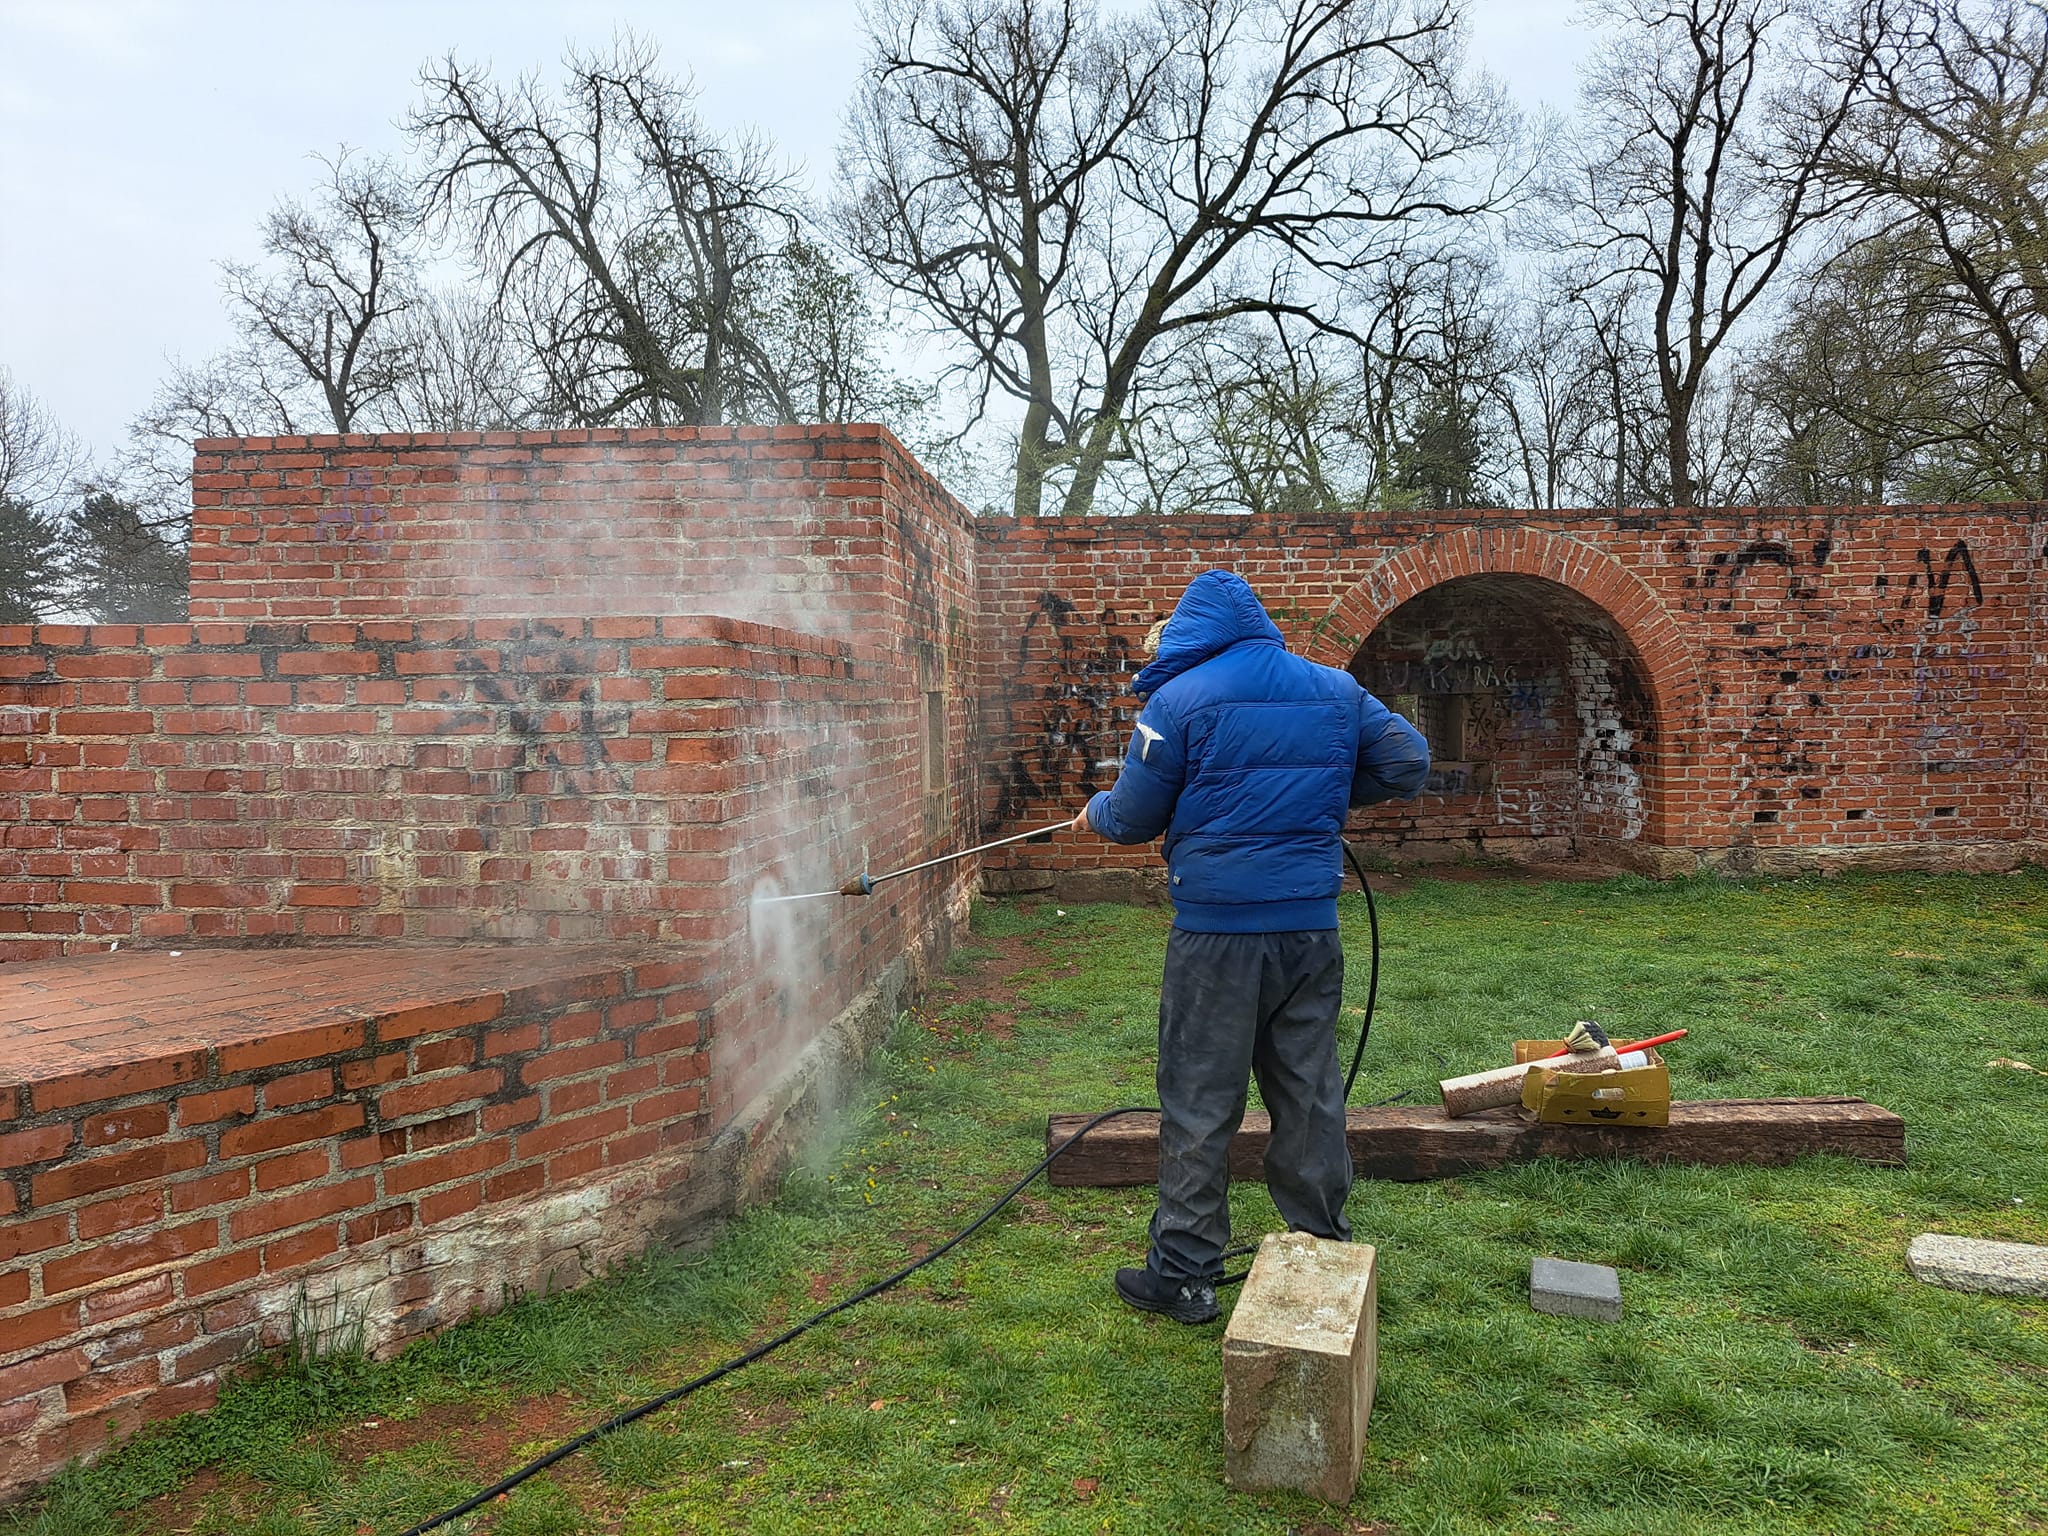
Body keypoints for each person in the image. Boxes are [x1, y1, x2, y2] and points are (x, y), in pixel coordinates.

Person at [1071, 568, 1429, 1324]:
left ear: (1192, 633)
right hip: (1310, 931)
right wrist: (1314, 792)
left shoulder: (1178, 700)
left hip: (1217, 936)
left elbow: (1133, 818)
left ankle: (1185, 1273)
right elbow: (1408, 761)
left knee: (1200, 1097)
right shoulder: (1334, 688)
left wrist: (1096, 811)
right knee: (1308, 1089)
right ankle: (1322, 1250)